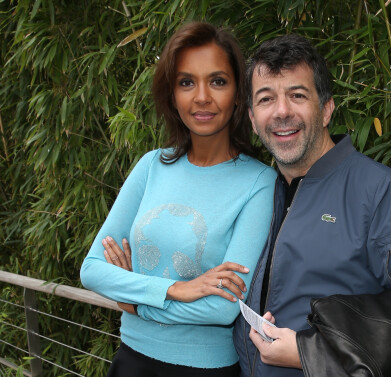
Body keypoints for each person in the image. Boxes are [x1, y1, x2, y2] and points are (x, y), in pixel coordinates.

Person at [232, 34, 391, 377]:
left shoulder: (380, 192)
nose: (281, 111)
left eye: (297, 95)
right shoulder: (256, 192)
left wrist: (311, 353)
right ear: (252, 117)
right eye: (266, 99)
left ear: (327, 109)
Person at [80, 22, 276, 377]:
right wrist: (175, 289)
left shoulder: (259, 184)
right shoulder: (151, 166)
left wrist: (132, 302)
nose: (202, 97)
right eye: (187, 82)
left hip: (203, 368)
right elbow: (92, 269)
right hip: (129, 361)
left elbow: (222, 309)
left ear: (238, 94)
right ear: (172, 95)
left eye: (218, 81)